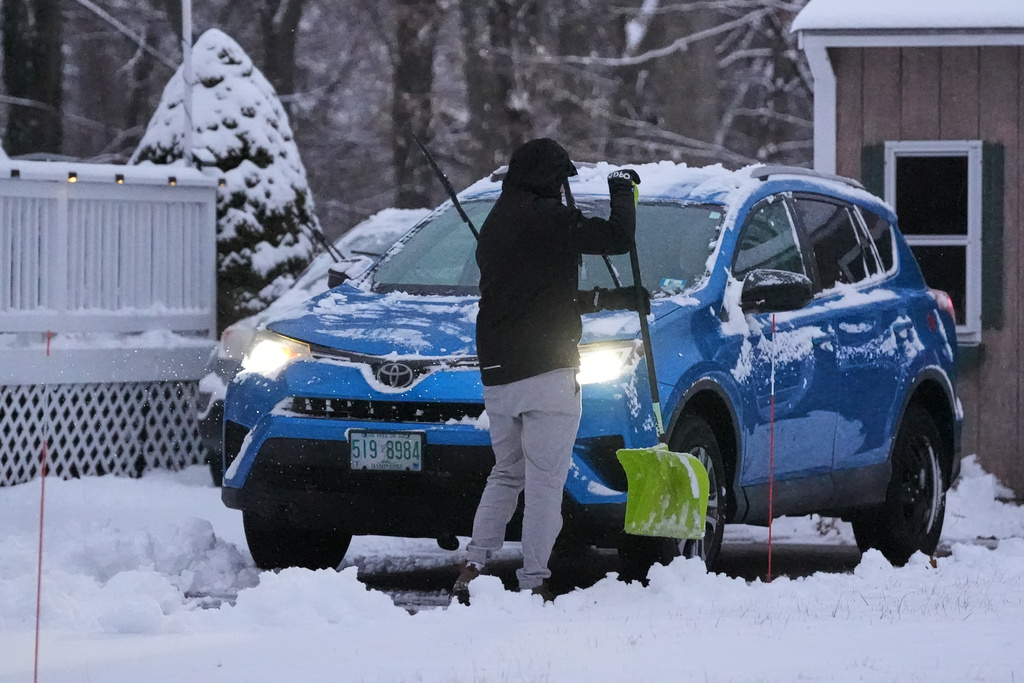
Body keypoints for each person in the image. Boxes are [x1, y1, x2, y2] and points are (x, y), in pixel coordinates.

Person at [452, 138, 642, 605]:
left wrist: (609, 300)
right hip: (549, 374)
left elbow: (537, 295)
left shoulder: (496, 224)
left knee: (506, 473)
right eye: (561, 181)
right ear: (548, 180)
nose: (564, 190)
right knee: (544, 482)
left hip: (498, 373)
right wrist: (623, 191)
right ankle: (534, 578)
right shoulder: (550, 218)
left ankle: (473, 566)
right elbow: (616, 239)